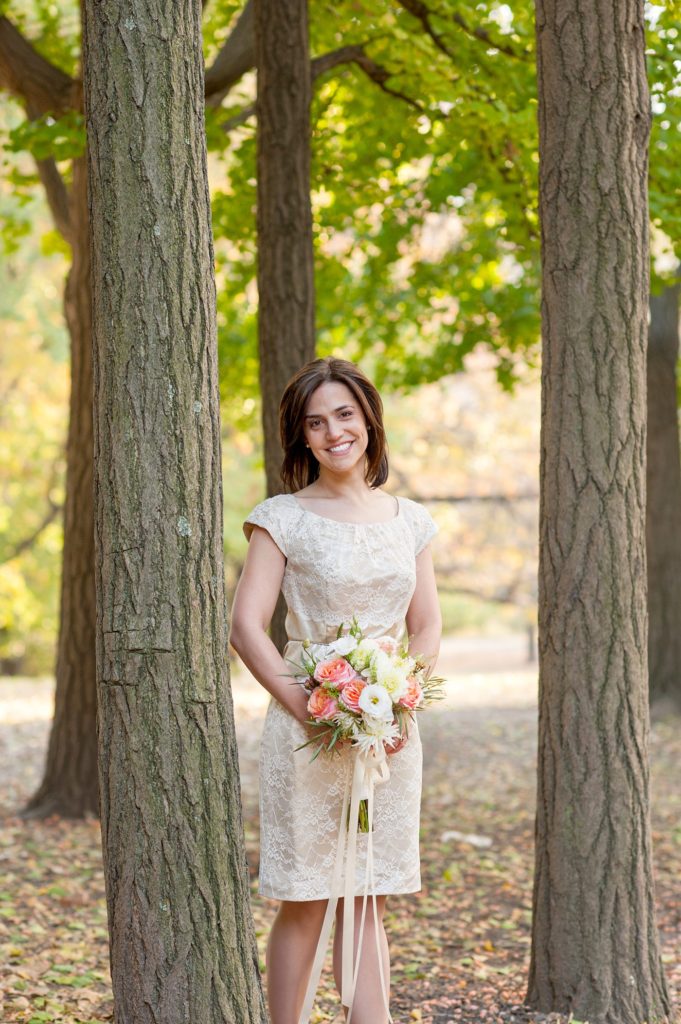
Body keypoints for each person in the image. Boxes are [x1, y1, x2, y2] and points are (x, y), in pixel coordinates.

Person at [230, 356, 441, 1024]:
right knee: (308, 893)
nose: (333, 431)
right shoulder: (282, 518)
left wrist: (404, 696)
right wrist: (305, 706)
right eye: (315, 423)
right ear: (302, 438)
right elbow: (244, 625)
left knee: (370, 891)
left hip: (387, 731)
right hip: (306, 729)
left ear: (368, 419)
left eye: (344, 414)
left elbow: (427, 623)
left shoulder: (410, 520)